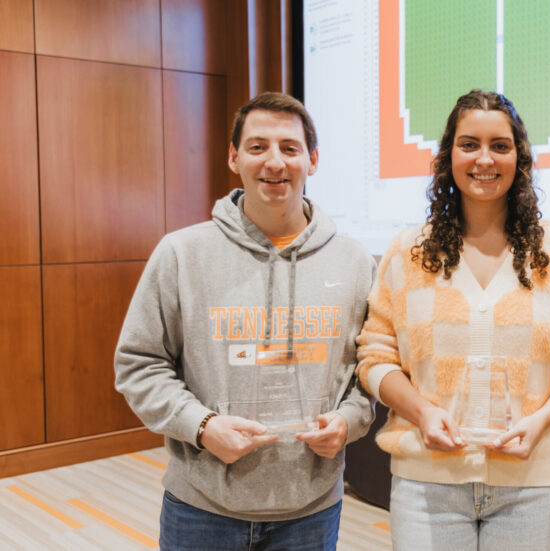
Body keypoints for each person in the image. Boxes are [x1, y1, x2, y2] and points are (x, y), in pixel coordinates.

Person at [115, 92, 376, 550]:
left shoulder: (354, 261)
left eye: (289, 148)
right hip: (201, 507)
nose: (274, 161)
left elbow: (370, 368)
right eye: (257, 147)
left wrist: (350, 421)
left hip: (310, 511)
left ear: (312, 160)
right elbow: (139, 363)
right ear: (234, 157)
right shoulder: (181, 254)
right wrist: (201, 425)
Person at [355, 90, 550, 551]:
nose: (484, 159)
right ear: (448, 154)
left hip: (533, 483)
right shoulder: (409, 251)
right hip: (426, 482)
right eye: (469, 144)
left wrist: (543, 419)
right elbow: (375, 354)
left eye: (500, 145)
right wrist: (421, 412)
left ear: (520, 157)